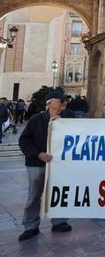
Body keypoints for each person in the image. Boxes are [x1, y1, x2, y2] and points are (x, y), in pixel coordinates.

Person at [18, 91, 72, 241]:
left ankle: (59, 221)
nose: (64, 103)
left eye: (65, 100)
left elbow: (87, 130)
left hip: (60, 164)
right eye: (60, 100)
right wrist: (38, 154)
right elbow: (24, 141)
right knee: (34, 195)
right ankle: (31, 226)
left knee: (59, 193)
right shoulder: (36, 120)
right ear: (49, 103)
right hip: (37, 163)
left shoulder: (69, 117)